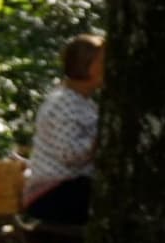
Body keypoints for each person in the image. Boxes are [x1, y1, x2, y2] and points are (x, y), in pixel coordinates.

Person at [25, 33, 105, 228]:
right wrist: (101, 137)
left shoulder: (82, 101)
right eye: (102, 62)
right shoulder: (63, 102)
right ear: (85, 66)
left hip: (70, 187)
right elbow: (70, 154)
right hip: (53, 193)